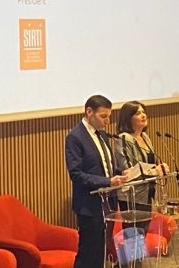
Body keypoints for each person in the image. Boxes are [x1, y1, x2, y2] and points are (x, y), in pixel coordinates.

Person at [65, 95, 128, 268]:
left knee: (101, 252)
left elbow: (105, 166)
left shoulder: (102, 135)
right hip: (90, 204)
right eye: (103, 116)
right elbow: (76, 174)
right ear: (89, 112)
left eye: (109, 116)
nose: (107, 121)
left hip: (108, 202)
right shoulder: (75, 137)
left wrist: (121, 173)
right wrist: (108, 181)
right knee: (88, 253)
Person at [114, 101, 161, 214]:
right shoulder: (124, 138)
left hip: (147, 193)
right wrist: (155, 172)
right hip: (132, 196)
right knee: (136, 226)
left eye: (143, 112)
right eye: (138, 113)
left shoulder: (144, 137)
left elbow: (151, 163)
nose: (143, 115)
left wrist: (161, 168)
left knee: (145, 225)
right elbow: (129, 172)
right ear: (128, 118)